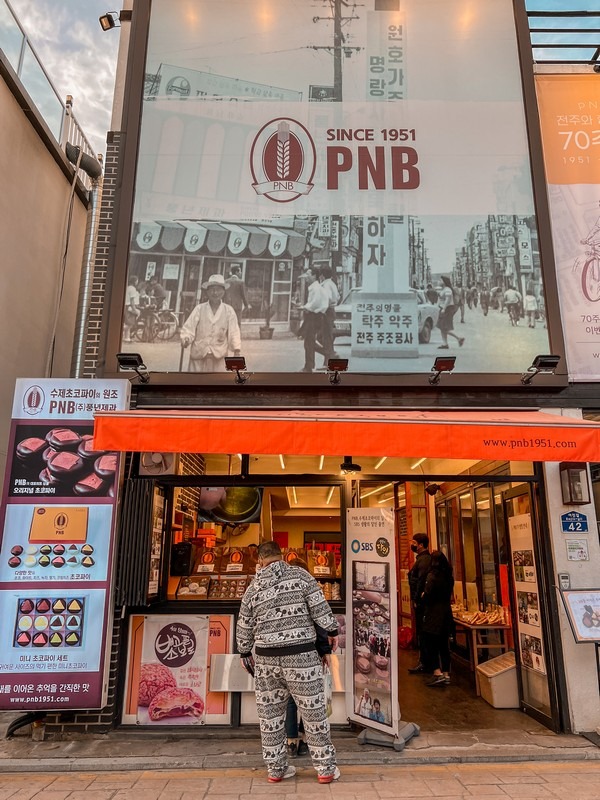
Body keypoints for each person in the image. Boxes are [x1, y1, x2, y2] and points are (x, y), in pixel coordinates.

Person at [236, 541, 340, 784]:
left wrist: (244, 653)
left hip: (266, 660)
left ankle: (276, 770)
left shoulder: (253, 587)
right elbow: (318, 606)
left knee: (270, 718)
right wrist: (332, 630)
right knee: (314, 714)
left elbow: (244, 625)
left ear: (260, 560)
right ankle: (325, 769)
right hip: (301, 657)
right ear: (281, 556)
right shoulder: (300, 575)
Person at [284, 558, 331, 759]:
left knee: (290, 700)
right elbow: (321, 624)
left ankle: (291, 741)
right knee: (309, 698)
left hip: (284, 654)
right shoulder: (311, 591)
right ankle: (305, 739)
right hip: (308, 653)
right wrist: (324, 651)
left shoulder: (282, 592)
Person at [180, 273, 241, 372]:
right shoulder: (199, 309)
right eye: (212, 289)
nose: (215, 293)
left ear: (223, 291)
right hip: (199, 355)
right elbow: (188, 328)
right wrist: (185, 338)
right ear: (207, 292)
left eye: (218, 289)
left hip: (219, 356)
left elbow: (234, 332)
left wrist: (236, 350)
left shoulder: (229, 311)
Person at [421, 550, 455, 687]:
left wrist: (423, 595)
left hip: (433, 614)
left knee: (431, 644)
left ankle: (437, 672)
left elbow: (428, 594)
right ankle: (446, 674)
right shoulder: (449, 577)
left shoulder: (432, 576)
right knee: (444, 645)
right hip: (446, 613)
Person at [407, 533, 432, 674]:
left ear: (421, 545)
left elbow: (420, 582)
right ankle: (425, 661)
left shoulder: (423, 561)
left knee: (423, 633)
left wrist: (416, 600)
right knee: (422, 633)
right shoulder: (422, 560)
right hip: (422, 602)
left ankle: (425, 662)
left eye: (414, 542)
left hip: (422, 604)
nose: (412, 545)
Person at [299, 267, 328, 373]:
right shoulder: (314, 287)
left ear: (314, 276)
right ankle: (310, 365)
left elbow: (315, 303)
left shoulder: (315, 288)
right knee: (309, 341)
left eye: (308, 274)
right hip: (313, 315)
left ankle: (327, 355)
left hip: (314, 316)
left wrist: (305, 307)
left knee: (309, 342)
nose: (306, 277)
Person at [436, 276, 465, 350]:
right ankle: (445, 343)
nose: (439, 281)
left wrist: (444, 309)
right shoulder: (445, 289)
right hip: (444, 309)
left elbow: (447, 300)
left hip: (447, 309)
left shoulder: (447, 290)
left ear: (444, 282)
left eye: (440, 280)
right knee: (442, 327)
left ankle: (459, 338)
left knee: (444, 328)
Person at [123, 275, 140, 342]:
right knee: (130, 323)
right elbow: (132, 300)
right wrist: (134, 309)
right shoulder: (133, 289)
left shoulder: (128, 287)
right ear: (135, 281)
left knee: (128, 323)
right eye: (137, 280)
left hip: (126, 306)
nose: (137, 282)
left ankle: (127, 338)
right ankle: (120, 330)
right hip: (130, 306)